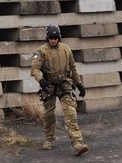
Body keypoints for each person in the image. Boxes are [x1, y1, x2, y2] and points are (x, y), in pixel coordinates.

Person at [30, 25, 89, 156]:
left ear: (59, 38)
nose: (53, 40)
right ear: (47, 38)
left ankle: (77, 143)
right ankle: (48, 138)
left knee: (71, 112)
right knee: (49, 114)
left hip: (64, 84)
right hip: (48, 85)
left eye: (55, 38)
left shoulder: (66, 49)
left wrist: (79, 84)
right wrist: (41, 80)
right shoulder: (41, 51)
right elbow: (34, 69)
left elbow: (73, 68)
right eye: (51, 38)